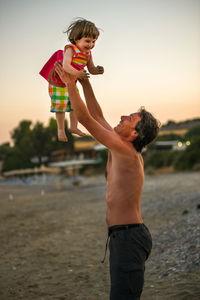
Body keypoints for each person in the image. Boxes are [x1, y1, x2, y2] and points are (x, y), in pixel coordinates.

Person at [54, 62, 160, 299]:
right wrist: (84, 80)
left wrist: (69, 83)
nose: (123, 116)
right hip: (123, 236)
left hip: (129, 237)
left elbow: (85, 118)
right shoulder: (120, 145)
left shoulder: (125, 151)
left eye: (130, 118)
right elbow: (97, 114)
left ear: (134, 134)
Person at [40, 18, 104, 142]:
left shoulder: (88, 53)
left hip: (71, 82)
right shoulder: (71, 49)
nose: (91, 45)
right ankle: (60, 130)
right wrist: (78, 73)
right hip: (58, 83)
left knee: (75, 105)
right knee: (60, 106)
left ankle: (73, 127)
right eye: (87, 41)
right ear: (76, 39)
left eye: (93, 41)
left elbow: (90, 68)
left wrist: (97, 70)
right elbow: (66, 66)